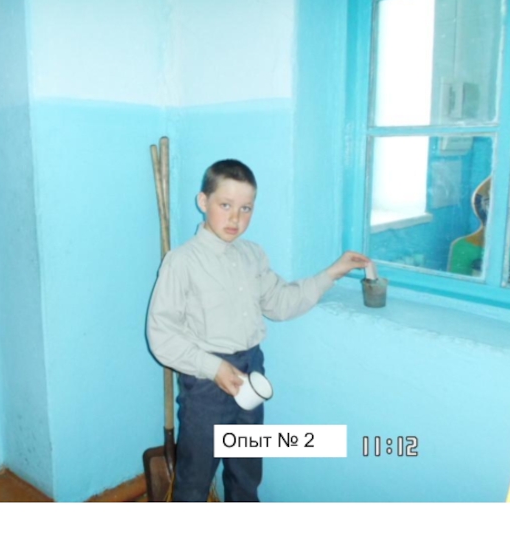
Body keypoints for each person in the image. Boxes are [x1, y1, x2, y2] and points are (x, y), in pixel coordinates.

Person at [146, 159, 370, 502]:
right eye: (225, 205)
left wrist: (332, 273)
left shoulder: (252, 255)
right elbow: (162, 335)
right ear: (203, 201)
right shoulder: (182, 262)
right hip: (205, 383)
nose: (235, 218)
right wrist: (214, 367)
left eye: (246, 208)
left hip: (252, 371)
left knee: (246, 471)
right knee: (194, 478)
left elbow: (281, 302)